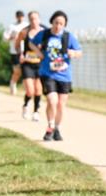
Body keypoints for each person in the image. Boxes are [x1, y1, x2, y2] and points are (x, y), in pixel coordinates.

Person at [32, 10, 83, 141]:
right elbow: (31, 43)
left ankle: (57, 128)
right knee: (52, 100)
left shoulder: (68, 37)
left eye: (61, 24)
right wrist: (38, 52)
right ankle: (50, 126)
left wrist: (73, 53)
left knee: (61, 104)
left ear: (64, 25)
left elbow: (79, 52)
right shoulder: (44, 34)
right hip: (47, 73)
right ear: (52, 22)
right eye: (56, 23)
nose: (58, 26)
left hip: (64, 75)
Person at [15, 11, 46, 121]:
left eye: (35, 18)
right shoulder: (24, 32)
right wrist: (20, 54)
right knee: (30, 90)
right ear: (29, 20)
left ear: (39, 19)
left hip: (40, 63)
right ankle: (26, 105)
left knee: (38, 90)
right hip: (27, 63)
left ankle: (36, 111)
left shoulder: (45, 31)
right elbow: (17, 45)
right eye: (31, 19)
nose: (34, 21)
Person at [4, 10, 28, 94]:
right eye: (19, 16)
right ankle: (13, 83)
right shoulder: (12, 26)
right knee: (17, 70)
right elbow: (5, 38)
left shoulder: (26, 25)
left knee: (26, 69)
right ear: (16, 17)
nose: (20, 18)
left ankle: (26, 88)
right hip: (15, 51)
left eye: (21, 16)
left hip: (25, 51)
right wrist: (12, 37)